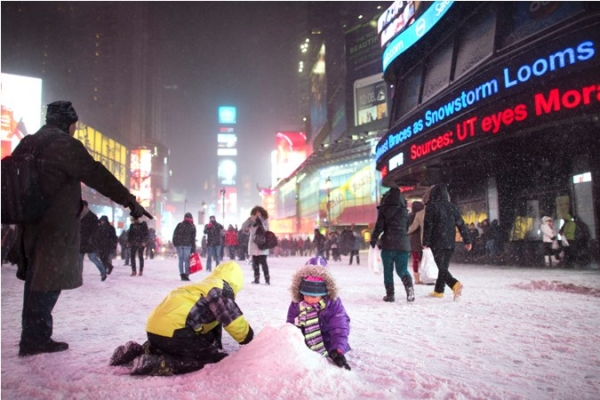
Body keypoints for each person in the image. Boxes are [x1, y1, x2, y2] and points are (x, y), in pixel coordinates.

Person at [9, 101, 149, 357]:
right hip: (54, 226)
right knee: (48, 280)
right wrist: (128, 199)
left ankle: (32, 335)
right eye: (74, 124)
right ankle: (35, 339)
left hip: (28, 224)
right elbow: (96, 174)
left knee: (35, 280)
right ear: (67, 122)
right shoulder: (64, 146)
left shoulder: (28, 142)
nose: (75, 129)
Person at [109, 261, 254, 376]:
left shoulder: (201, 286)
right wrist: (250, 339)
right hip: (175, 332)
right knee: (204, 358)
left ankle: (139, 351)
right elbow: (232, 320)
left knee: (175, 346)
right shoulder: (220, 291)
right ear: (236, 282)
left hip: (155, 330)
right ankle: (155, 364)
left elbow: (212, 323)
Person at [286, 257, 351, 370]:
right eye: (305, 295)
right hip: (305, 345)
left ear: (324, 293)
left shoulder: (333, 304)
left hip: (328, 342)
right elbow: (291, 327)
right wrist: (293, 346)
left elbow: (339, 328)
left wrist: (337, 350)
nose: (309, 300)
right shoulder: (297, 305)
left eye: (313, 296)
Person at [422, 183, 472, 300]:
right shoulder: (452, 206)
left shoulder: (431, 207)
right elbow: (461, 224)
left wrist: (425, 241)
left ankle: (455, 284)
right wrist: (467, 240)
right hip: (450, 242)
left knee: (442, 268)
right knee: (443, 266)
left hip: (437, 242)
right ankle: (439, 291)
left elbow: (428, 226)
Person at [370, 188, 414, 303]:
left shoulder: (384, 210)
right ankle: (409, 289)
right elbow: (406, 228)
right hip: (403, 245)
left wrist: (374, 239)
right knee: (402, 270)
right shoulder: (405, 212)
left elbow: (379, 227)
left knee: (388, 270)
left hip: (388, 244)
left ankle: (390, 295)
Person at [78, 201, 107, 281]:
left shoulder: (92, 217)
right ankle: (78, 276)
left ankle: (103, 271)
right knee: (79, 259)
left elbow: (96, 230)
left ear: (86, 206)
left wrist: (91, 239)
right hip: (81, 241)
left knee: (92, 258)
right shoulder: (78, 215)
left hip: (90, 242)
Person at [247, 206, 271, 285]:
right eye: (256, 212)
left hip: (262, 244)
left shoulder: (265, 220)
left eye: (259, 212)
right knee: (255, 263)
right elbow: (251, 231)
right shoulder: (252, 220)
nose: (257, 214)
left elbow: (267, 230)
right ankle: (256, 278)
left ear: (262, 212)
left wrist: (261, 224)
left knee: (264, 263)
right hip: (254, 244)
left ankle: (267, 279)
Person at [172, 212, 196, 281]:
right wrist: (193, 248)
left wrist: (175, 243)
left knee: (181, 260)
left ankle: (182, 274)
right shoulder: (192, 226)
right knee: (186, 260)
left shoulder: (180, 225)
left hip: (179, 245)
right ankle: (186, 274)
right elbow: (193, 238)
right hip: (187, 245)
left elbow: (175, 234)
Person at [407, 200, 425, 284]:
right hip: (422, 239)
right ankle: (424, 276)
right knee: (423, 259)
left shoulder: (409, 216)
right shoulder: (422, 215)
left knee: (415, 259)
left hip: (412, 240)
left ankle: (417, 278)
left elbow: (409, 228)